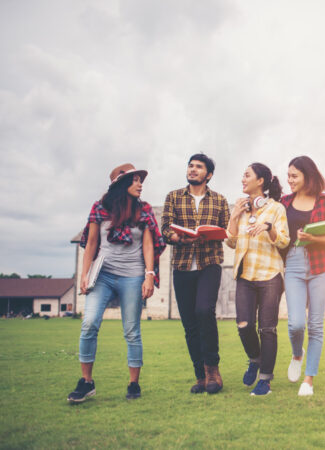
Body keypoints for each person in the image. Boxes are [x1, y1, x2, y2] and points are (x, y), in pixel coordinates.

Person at [68, 163, 165, 403]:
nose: (140, 184)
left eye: (141, 180)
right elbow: (91, 243)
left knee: (132, 330)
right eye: (135, 180)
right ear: (121, 184)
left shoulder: (144, 210)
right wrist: (84, 274)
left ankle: (134, 384)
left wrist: (149, 274)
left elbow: (148, 244)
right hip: (103, 274)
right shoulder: (100, 208)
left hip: (132, 275)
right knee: (89, 323)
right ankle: (86, 382)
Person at [161, 154, 230, 394]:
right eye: (190, 166)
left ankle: (213, 370)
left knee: (204, 311)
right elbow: (165, 229)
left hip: (209, 263)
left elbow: (227, 231)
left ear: (208, 174)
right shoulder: (173, 197)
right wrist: (177, 237)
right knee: (189, 323)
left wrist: (213, 233)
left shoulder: (220, 200)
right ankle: (200, 376)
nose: (193, 169)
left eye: (199, 167)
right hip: (182, 266)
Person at [280, 156, 325, 396]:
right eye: (288, 176)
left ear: (308, 175)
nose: (290, 180)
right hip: (293, 263)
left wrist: (312, 238)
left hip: (321, 265)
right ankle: (297, 353)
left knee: (315, 325)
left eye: (294, 175)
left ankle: (309, 380)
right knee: (296, 324)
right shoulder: (284, 202)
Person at [226, 163, 289, 396]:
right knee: (243, 325)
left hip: (270, 274)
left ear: (260, 181)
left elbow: (283, 240)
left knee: (267, 328)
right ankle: (254, 358)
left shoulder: (276, 209)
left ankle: (265, 380)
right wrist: (234, 215)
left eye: (247, 175)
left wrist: (268, 227)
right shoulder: (240, 207)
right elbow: (231, 242)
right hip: (245, 275)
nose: (243, 179)